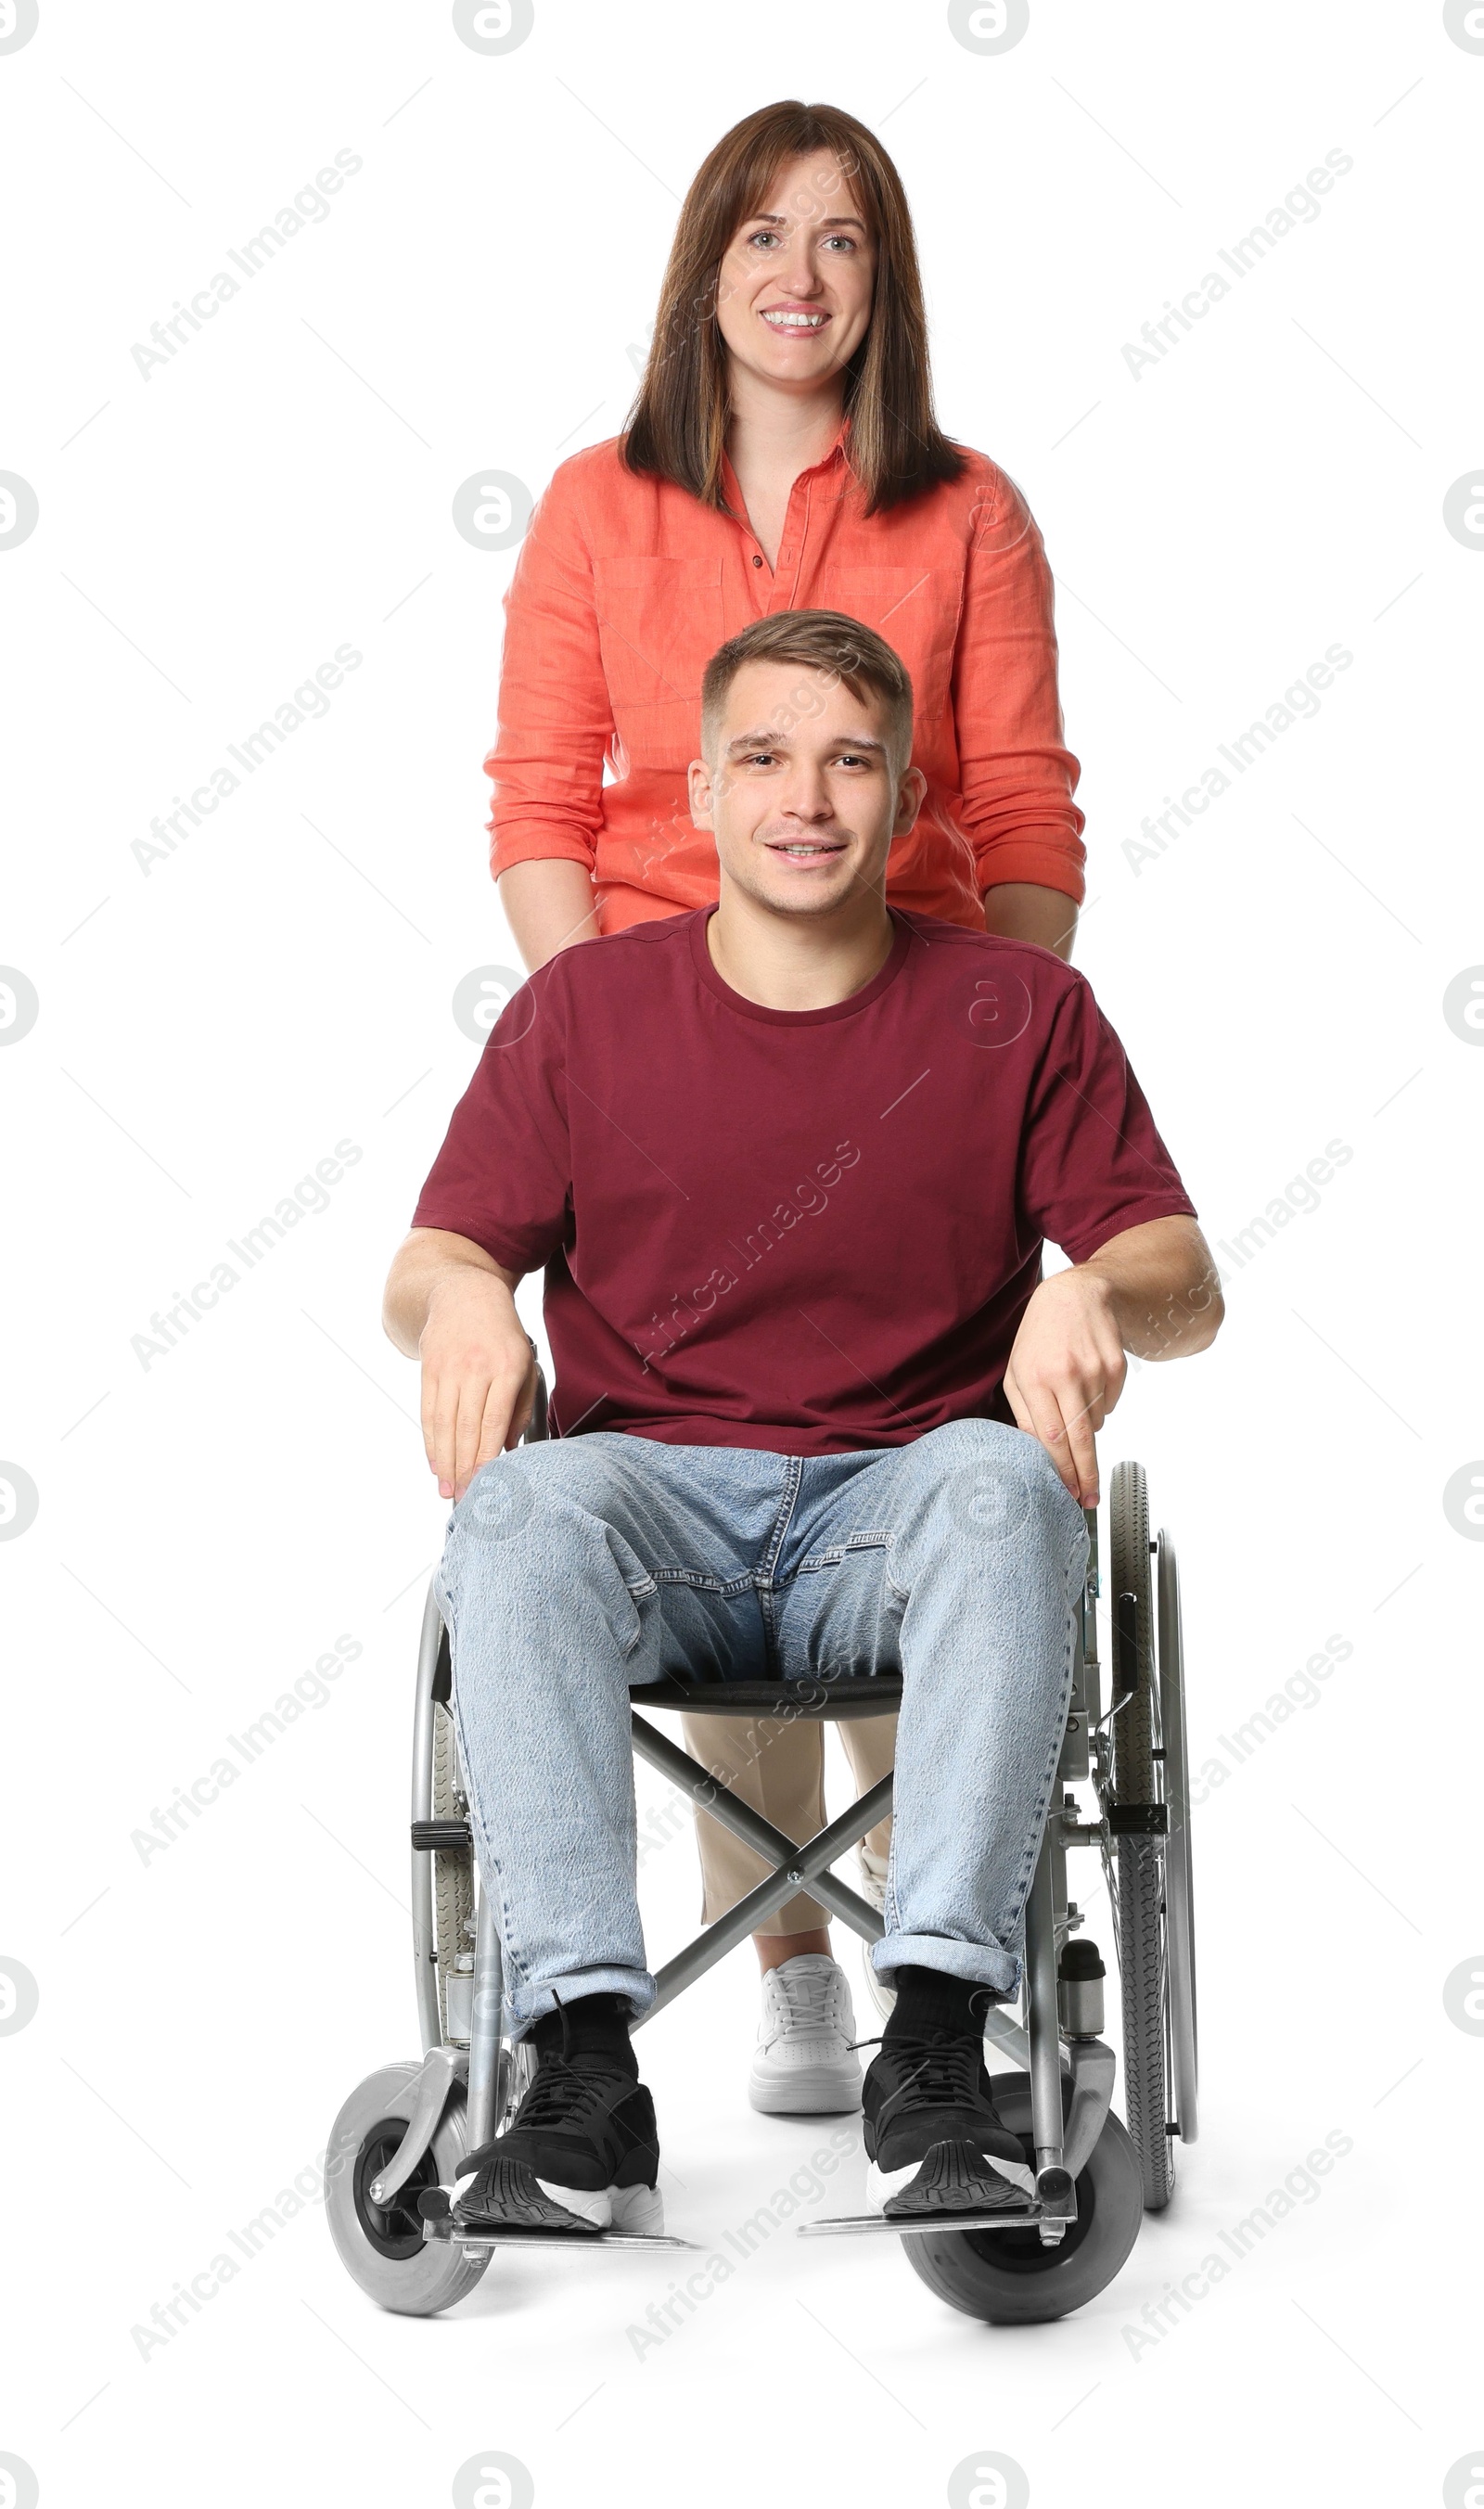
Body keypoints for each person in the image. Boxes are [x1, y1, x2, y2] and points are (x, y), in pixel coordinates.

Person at [383, 611, 1221, 2236]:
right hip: (657, 1511)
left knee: (1002, 1486)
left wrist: (1098, 1290)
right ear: (698, 789)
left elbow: (1185, 1273)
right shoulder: (582, 1015)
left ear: (907, 798)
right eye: (764, 756)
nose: (806, 797)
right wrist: (467, 1293)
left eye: (849, 759)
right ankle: (576, 2059)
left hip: (900, 1503)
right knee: (519, 1508)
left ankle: (929, 2042)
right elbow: (430, 1259)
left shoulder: (1016, 1011)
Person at [483, 96, 1090, 2093]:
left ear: (881, 280)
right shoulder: (595, 506)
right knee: (694, 1439)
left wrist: (989, 1055)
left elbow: (1016, 814)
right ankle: (785, 1957)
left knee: (919, 1456)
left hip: (909, 1033)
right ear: (702, 266)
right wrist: (615, 1052)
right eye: (760, 234)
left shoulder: (964, 509)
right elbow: (540, 803)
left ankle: (939, 1931)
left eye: (840, 240)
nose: (796, 277)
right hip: (667, 1039)